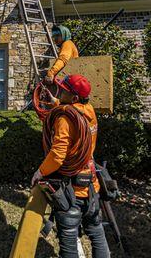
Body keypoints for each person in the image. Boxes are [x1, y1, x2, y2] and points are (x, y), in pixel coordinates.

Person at [31, 74, 110, 258]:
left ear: (74, 97)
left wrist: (40, 172)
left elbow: (58, 155)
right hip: (91, 186)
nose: (61, 90)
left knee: (68, 237)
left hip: (71, 189)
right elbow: (74, 110)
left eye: (64, 90)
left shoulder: (64, 119)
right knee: (96, 231)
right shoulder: (88, 110)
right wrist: (56, 101)